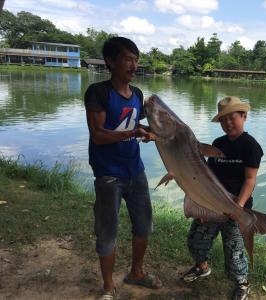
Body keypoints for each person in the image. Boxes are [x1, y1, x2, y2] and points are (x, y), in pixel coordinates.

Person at [84, 36, 161, 300]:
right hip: (108, 174)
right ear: (111, 61)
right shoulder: (99, 92)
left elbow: (132, 125)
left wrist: (150, 133)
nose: (134, 64)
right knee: (107, 232)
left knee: (144, 225)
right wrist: (131, 133)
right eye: (128, 58)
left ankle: (136, 273)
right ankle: (108, 286)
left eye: (136, 59)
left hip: (135, 170)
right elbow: (98, 135)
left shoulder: (137, 94)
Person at [181, 96, 264, 300]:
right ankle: (203, 268)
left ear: (244, 116)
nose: (227, 123)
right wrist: (202, 205)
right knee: (195, 241)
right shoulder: (218, 143)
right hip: (212, 205)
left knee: (234, 250)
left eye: (232, 118)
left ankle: (242, 284)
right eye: (223, 120)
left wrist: (239, 207)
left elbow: (250, 180)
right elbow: (209, 177)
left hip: (238, 207)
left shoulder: (251, 146)